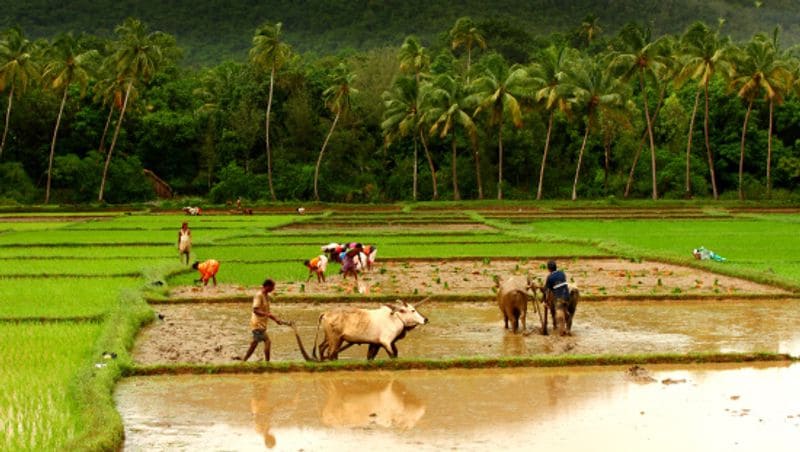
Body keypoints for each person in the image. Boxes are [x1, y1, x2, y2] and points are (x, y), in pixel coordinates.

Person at [237, 279, 288, 362]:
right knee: (267, 342)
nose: (273, 288)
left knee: (254, 343)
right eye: (272, 287)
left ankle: (244, 360)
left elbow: (267, 312)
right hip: (257, 324)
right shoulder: (259, 295)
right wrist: (267, 315)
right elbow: (255, 310)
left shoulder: (266, 296)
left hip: (261, 324)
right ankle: (267, 363)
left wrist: (276, 319)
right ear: (267, 286)